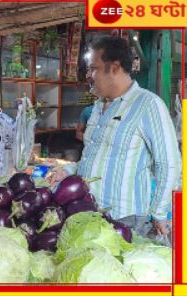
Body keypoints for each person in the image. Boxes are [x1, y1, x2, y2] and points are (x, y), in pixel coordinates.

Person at [48, 36, 181, 237]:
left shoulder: (148, 105)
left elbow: (169, 163)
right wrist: (68, 170)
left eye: (94, 68)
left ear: (115, 68)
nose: (89, 75)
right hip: (88, 213)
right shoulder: (98, 107)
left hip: (124, 220)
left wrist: (159, 213)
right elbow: (95, 159)